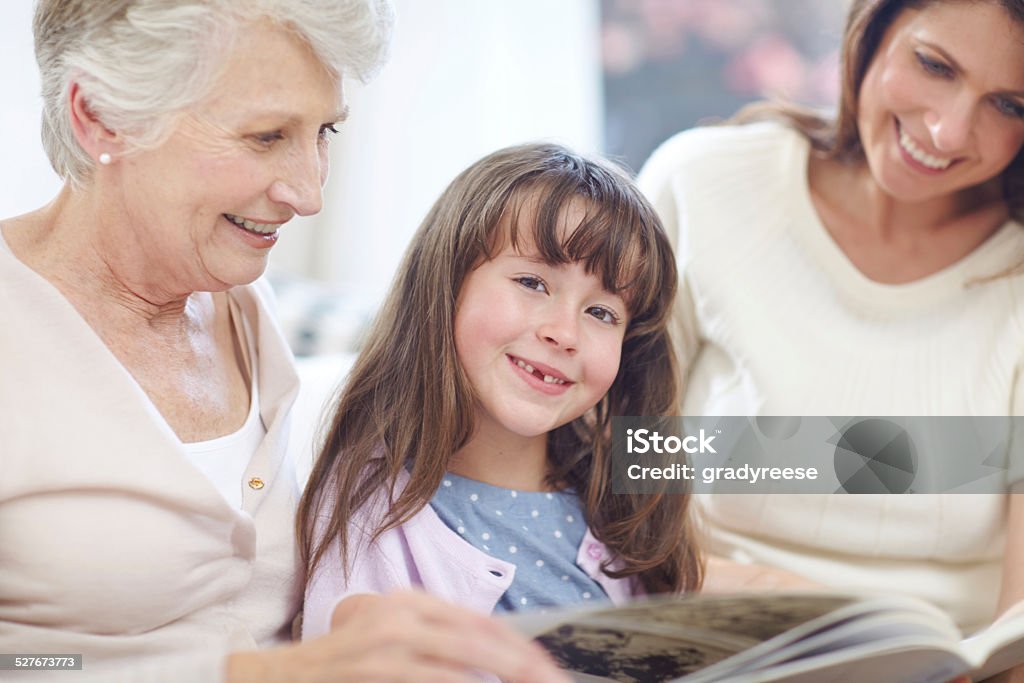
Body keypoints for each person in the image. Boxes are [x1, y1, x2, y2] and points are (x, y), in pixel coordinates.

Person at [0, 2, 570, 682]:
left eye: (324, 130)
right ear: (99, 115)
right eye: (266, 136)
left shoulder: (241, 299)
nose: (308, 192)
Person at [638, 0, 1024, 639]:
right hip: (702, 642)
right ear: (870, 33)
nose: (948, 131)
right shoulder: (703, 186)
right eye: (933, 65)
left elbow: (1019, 626)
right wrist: (807, 608)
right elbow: (592, 497)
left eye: (1010, 104)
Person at [298, 143, 703, 638]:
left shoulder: (624, 500)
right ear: (445, 281)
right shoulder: (368, 514)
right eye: (533, 282)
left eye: (601, 313)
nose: (565, 333)